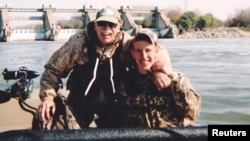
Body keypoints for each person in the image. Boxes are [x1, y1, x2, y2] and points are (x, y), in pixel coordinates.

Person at [35, 7, 172, 129]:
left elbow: (157, 50)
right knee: (46, 119)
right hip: (79, 105)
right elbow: (52, 70)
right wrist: (48, 98)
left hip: (114, 107)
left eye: (112, 24)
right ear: (95, 25)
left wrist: (158, 71)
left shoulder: (127, 43)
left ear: (120, 25)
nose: (106, 29)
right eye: (102, 24)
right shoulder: (78, 44)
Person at [121, 29, 201, 128]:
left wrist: (173, 77)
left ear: (156, 51)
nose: (144, 56)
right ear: (133, 53)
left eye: (148, 50)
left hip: (169, 135)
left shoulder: (175, 78)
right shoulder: (126, 80)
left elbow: (193, 112)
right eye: (138, 51)